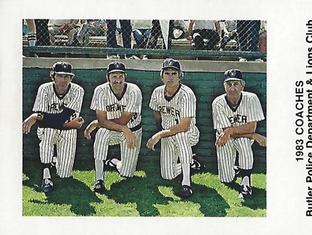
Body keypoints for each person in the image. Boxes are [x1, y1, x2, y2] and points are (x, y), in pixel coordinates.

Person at [22, 62, 85, 194]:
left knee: (64, 174)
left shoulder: (78, 90)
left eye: (67, 76)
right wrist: (39, 117)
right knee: (49, 131)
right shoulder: (44, 89)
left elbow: (62, 117)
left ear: (71, 78)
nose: (63, 80)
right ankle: (46, 175)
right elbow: (44, 123)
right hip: (47, 131)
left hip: (68, 131)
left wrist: (36, 116)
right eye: (60, 76)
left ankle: (54, 161)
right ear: (53, 76)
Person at [146, 58, 203, 199]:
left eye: (173, 73)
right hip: (167, 133)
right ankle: (191, 163)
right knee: (167, 175)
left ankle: (186, 183)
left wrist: (158, 135)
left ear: (179, 76)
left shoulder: (187, 94)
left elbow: (184, 126)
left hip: (189, 133)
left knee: (181, 135)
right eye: (167, 73)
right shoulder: (157, 92)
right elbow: (157, 114)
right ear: (162, 75)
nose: (170, 77)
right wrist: (162, 132)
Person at [88, 61, 142, 193]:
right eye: (114, 76)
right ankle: (99, 180)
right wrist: (102, 123)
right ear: (108, 77)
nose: (118, 80)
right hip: (113, 130)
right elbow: (102, 120)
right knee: (101, 134)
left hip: (132, 131)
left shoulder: (134, 91)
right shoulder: (100, 90)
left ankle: (114, 162)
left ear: (125, 77)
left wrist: (98, 123)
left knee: (127, 173)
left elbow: (124, 120)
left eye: (120, 76)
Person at [212, 69, 265, 201]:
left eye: (236, 84)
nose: (232, 88)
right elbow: (225, 131)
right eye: (229, 84)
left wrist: (233, 131)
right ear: (224, 86)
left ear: (242, 85)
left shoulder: (251, 98)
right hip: (224, 139)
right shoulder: (218, 102)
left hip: (241, 137)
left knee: (243, 143)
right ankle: (235, 170)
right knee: (226, 179)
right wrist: (253, 135)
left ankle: (246, 181)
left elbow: (252, 127)